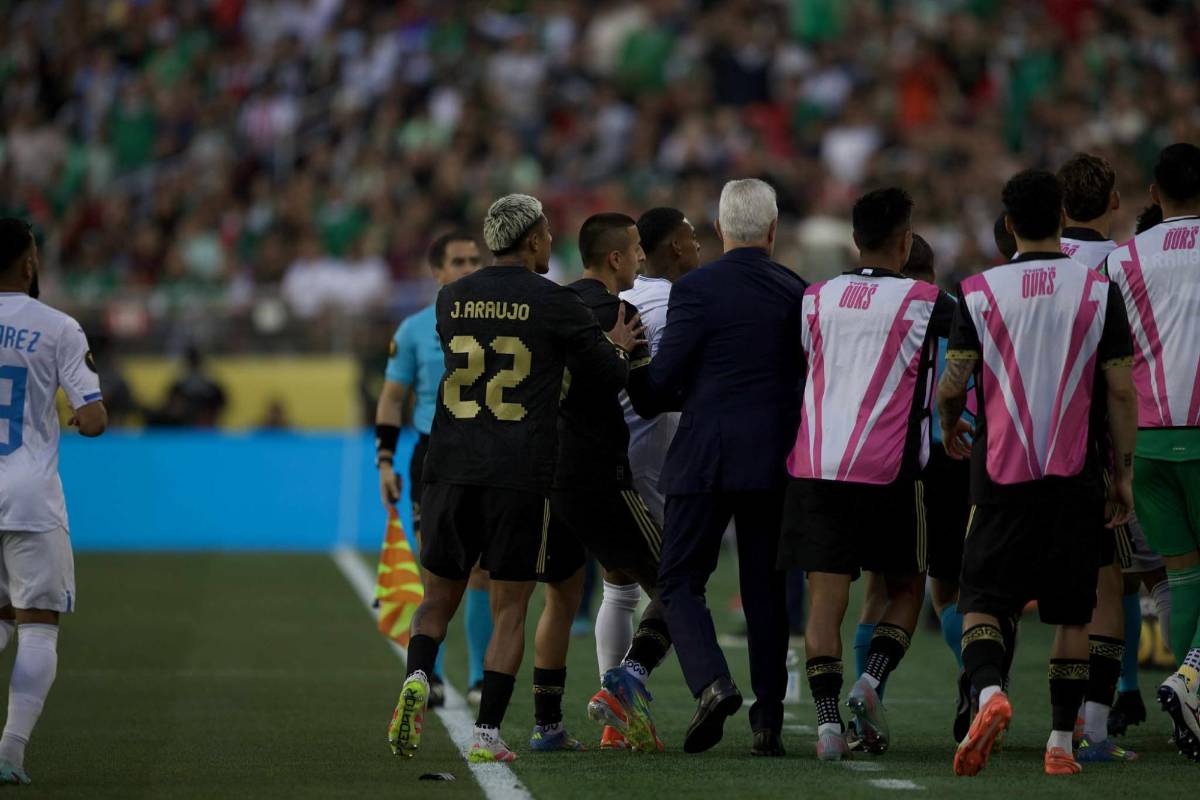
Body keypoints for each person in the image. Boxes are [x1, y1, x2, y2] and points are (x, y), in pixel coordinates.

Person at [386, 194, 642, 763]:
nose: (553, 243)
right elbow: (607, 376)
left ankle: (418, 676)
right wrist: (619, 348)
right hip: (519, 470)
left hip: (449, 463)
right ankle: (486, 736)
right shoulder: (554, 302)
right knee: (510, 609)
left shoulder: (450, 297)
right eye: (548, 234)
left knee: (436, 599)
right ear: (531, 241)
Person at [940, 170, 1137, 777]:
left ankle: (993, 690)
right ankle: (1059, 743)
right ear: (1059, 218)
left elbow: (954, 380)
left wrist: (950, 420)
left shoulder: (978, 291)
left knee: (980, 602)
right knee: (1072, 615)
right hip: (1076, 474)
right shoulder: (1098, 291)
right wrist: (1122, 474)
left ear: (1008, 226)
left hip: (1000, 475)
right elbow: (1122, 392)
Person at [779, 191, 956, 760]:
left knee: (824, 603)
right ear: (906, 241)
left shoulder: (813, 298)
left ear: (855, 240)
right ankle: (870, 682)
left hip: (817, 466)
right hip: (888, 471)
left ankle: (828, 727)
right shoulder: (928, 300)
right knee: (906, 588)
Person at [648, 179, 806, 757]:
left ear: (719, 229)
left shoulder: (696, 288)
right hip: (774, 457)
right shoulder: (797, 290)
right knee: (766, 589)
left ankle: (712, 683)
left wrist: (632, 368)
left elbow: (664, 378)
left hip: (705, 454)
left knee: (680, 579)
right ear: (771, 230)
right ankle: (768, 723)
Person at [542, 213, 675, 753]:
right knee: (676, 582)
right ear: (616, 258)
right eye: (638, 249)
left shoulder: (549, 307)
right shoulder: (624, 312)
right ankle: (624, 688)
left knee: (561, 600)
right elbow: (644, 396)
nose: (643, 258)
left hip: (549, 474)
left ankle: (547, 725)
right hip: (603, 473)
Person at [845, 234, 975, 749]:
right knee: (947, 591)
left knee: (879, 589)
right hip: (950, 458)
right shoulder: (954, 313)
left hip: (885, 459)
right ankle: (981, 686)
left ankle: (861, 717)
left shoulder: (878, 313)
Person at [1058, 152, 1163, 762]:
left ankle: (984, 692)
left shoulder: (1025, 264)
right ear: (1117, 202)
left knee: (1003, 589)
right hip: (1107, 443)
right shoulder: (1124, 266)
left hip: (1029, 446)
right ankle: (1098, 721)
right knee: (1128, 576)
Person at [0, 218, 108, 785]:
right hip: (28, 498)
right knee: (36, 626)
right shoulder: (58, 327)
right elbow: (92, 420)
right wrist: (77, 414)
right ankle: (10, 753)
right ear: (28, 262)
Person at [1103, 142, 1200, 762]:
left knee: (1183, 572)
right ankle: (1190, 692)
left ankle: (1187, 711)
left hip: (1147, 438)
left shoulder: (1123, 259)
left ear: (1155, 196)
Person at [375, 231, 490, 708]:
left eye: (473, 260)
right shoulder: (414, 330)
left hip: (486, 452)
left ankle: (481, 677)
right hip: (432, 455)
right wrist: (384, 461)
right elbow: (391, 400)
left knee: (484, 570)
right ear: (437, 272)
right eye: (457, 261)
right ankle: (433, 676)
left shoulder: (496, 324)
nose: (467, 268)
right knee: (436, 568)